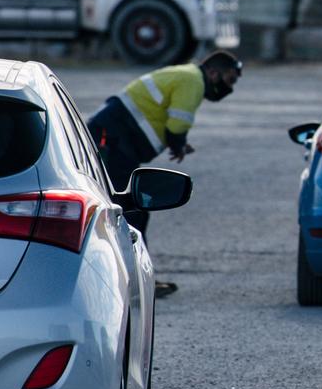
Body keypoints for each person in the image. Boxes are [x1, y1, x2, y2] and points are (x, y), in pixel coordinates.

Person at [86, 50, 242, 246]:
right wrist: (178, 144)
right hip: (113, 138)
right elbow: (177, 126)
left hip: (112, 135)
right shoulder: (194, 82)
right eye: (230, 79)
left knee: (128, 208)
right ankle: (134, 270)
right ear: (213, 73)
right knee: (130, 209)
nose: (230, 87)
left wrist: (179, 143)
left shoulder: (188, 74)